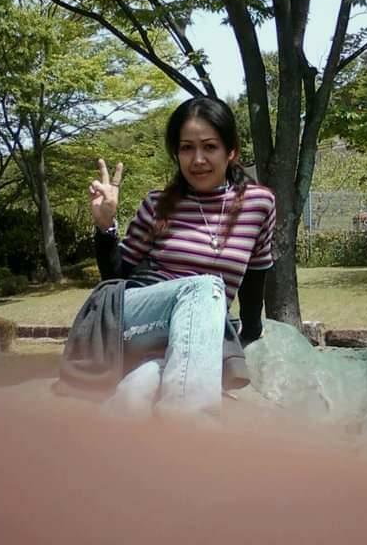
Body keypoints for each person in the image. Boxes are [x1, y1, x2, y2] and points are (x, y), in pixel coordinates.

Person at [57, 96, 276, 419]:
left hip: (192, 329)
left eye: (209, 147)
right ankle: (191, 424)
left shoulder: (259, 204)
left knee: (138, 390)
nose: (197, 159)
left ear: (231, 151)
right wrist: (105, 227)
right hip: (136, 318)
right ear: (176, 153)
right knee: (205, 287)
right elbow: (116, 277)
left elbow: (256, 272)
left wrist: (249, 335)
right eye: (187, 148)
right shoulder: (158, 204)